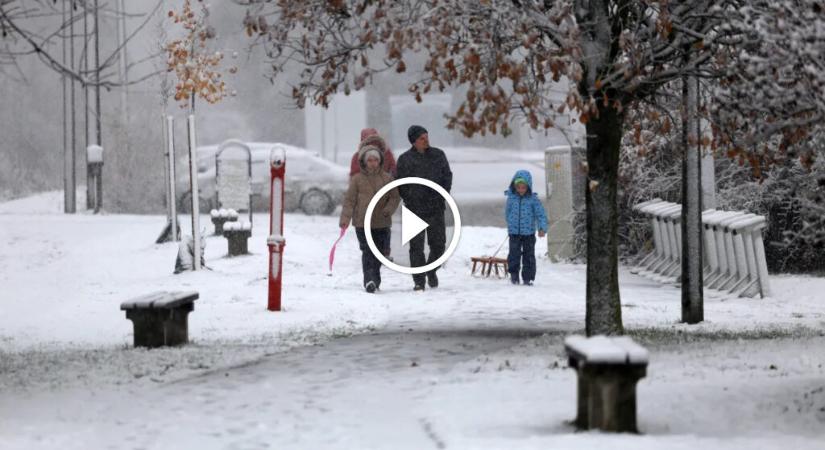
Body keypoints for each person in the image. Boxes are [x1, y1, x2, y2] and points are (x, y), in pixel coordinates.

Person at [396, 125, 453, 291]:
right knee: (416, 248)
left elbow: (447, 176)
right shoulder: (405, 159)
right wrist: (410, 198)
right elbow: (400, 183)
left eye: (427, 136)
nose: (426, 140)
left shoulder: (438, 155)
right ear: (414, 141)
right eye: (422, 138)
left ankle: (431, 270)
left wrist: (442, 195)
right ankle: (418, 281)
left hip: (435, 207)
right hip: (414, 209)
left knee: (439, 245)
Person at [340, 142, 400, 293]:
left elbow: (394, 197)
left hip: (382, 222)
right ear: (364, 162)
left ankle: (375, 278)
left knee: (379, 253)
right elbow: (349, 200)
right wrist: (345, 219)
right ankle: (369, 280)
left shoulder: (387, 178)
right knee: (367, 251)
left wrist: (388, 210)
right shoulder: (357, 180)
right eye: (369, 160)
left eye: (375, 160)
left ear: (380, 161)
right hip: (362, 223)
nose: (373, 163)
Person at [349, 129, 396, 259]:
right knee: (383, 226)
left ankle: (370, 251)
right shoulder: (386, 154)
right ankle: (382, 252)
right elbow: (394, 170)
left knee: (369, 226)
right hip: (381, 197)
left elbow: (353, 177)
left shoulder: (357, 157)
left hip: (368, 198)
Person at [504, 170, 548, 286]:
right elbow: (507, 212)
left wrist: (542, 228)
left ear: (528, 187)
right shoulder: (511, 198)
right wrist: (510, 225)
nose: (521, 190)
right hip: (514, 233)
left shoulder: (533, 199)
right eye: (518, 187)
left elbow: (540, 214)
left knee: (529, 256)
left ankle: (527, 278)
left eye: (523, 188)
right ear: (515, 187)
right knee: (514, 254)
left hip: (528, 233)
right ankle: (514, 275)